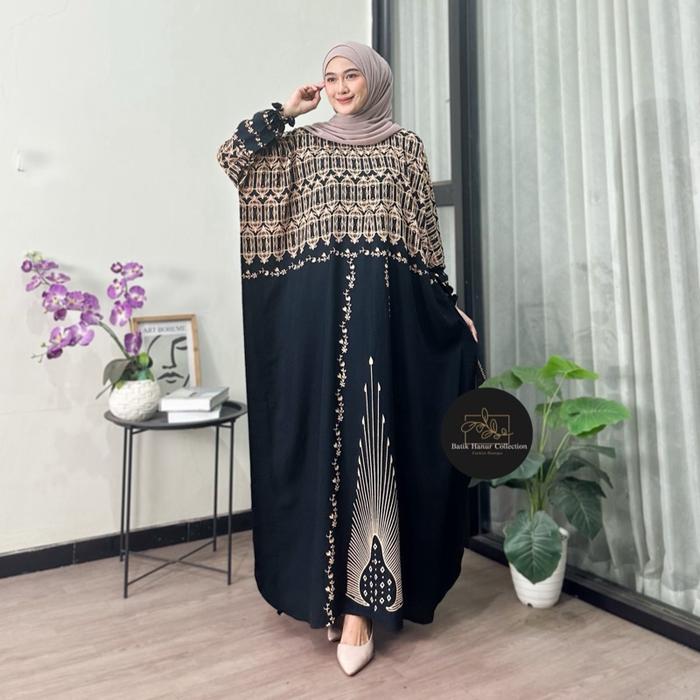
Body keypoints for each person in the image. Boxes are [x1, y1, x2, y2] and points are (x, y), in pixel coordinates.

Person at [216, 40, 482, 676]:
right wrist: (286, 111)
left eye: (350, 75)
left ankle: (363, 608)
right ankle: (326, 592)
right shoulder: (302, 146)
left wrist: (450, 306)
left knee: (376, 448)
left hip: (386, 330)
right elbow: (232, 159)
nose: (338, 86)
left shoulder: (405, 148)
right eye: (330, 77)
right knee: (322, 447)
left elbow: (424, 240)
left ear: (375, 81)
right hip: (315, 327)